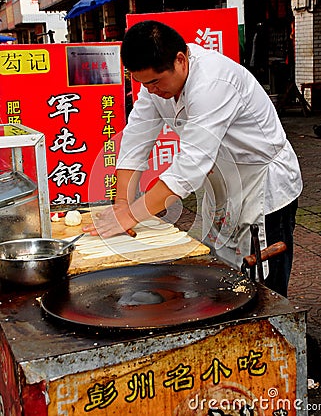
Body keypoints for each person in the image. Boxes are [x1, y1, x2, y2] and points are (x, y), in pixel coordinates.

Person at [83, 20, 302, 297]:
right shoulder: (154, 86)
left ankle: (276, 330)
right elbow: (136, 138)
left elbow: (190, 165)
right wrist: (122, 204)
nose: (150, 90)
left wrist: (133, 215)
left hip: (263, 184)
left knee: (264, 282)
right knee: (223, 271)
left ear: (180, 60)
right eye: (142, 83)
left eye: (154, 82)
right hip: (222, 183)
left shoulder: (212, 82)